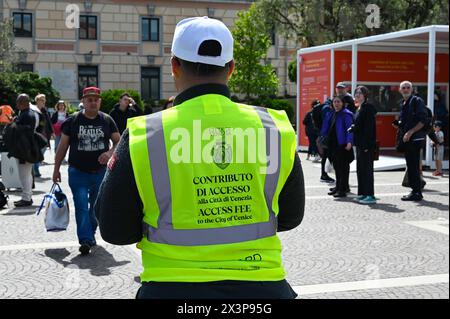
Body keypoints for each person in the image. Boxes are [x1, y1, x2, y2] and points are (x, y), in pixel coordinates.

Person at [95, 16, 305, 299]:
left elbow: (114, 230)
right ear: (231, 69)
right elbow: (291, 216)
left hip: (172, 288)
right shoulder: (275, 127)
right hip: (263, 289)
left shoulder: (146, 133)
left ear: (174, 66)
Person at [53, 87, 120, 255]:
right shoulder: (73, 121)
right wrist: (56, 169)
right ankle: (85, 239)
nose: (93, 102)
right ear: (83, 101)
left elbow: (119, 142)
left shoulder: (107, 120)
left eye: (96, 99)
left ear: (100, 101)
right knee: (81, 205)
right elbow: (62, 147)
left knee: (96, 207)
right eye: (89, 99)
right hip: (78, 172)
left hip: (100, 173)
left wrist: (109, 152)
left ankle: (90, 232)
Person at [396, 81, 428, 201]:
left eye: (408, 87)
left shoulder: (417, 101)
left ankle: (416, 192)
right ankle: (416, 189)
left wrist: (410, 132)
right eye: (403, 87)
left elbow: (423, 120)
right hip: (408, 140)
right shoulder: (404, 103)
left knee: (413, 166)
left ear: (412, 89)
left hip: (415, 139)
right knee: (411, 165)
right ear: (400, 90)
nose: (405, 89)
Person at [321, 96, 354, 198]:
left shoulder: (346, 114)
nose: (336, 104)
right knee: (336, 168)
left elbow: (350, 129)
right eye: (335, 102)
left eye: (338, 102)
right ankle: (338, 187)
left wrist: (349, 142)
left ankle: (342, 189)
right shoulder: (332, 113)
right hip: (333, 145)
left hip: (342, 144)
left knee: (342, 169)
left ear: (343, 103)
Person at [352, 86, 377, 204]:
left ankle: (370, 195)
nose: (357, 94)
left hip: (366, 144)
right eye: (356, 92)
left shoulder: (367, 108)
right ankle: (362, 193)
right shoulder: (359, 108)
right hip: (359, 143)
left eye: (360, 93)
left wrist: (367, 145)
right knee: (360, 169)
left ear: (365, 95)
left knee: (367, 170)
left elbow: (369, 129)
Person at [13, 94, 38, 207]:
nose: (17, 104)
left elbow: (24, 131)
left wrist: (14, 123)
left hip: (25, 148)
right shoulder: (27, 113)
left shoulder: (27, 114)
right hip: (27, 147)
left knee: (24, 174)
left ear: (24, 103)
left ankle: (26, 198)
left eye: (18, 102)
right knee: (26, 174)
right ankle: (27, 196)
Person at [313, 98, 335, 183]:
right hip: (326, 135)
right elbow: (327, 122)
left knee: (325, 156)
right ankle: (324, 174)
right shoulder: (327, 108)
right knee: (326, 155)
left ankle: (324, 174)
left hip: (323, 134)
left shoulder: (323, 107)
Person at [33, 94, 53, 177]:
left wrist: (52, 132)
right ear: (37, 101)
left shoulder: (45, 111)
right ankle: (35, 169)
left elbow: (49, 122)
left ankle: (35, 166)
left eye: (44, 100)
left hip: (45, 134)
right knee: (37, 152)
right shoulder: (33, 110)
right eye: (42, 100)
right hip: (37, 134)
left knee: (42, 150)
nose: (43, 102)